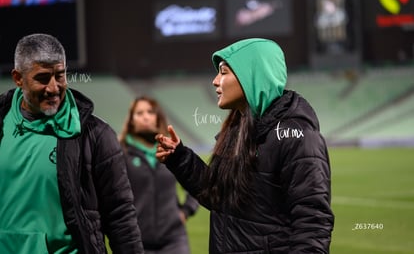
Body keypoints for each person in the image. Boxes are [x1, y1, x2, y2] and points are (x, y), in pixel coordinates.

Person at [155, 38, 335, 253]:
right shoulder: (236, 130)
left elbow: (313, 221)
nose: (214, 81)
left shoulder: (297, 136)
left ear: (252, 76)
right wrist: (180, 158)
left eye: (223, 72)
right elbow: (218, 197)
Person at [0, 33, 144, 254]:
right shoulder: (2, 121)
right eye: (42, 78)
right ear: (18, 78)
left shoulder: (95, 134)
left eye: (60, 75)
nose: (53, 87)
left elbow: (120, 216)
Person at [119, 96, 199, 254]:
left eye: (150, 111)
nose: (145, 116)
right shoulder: (121, 152)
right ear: (131, 120)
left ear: (158, 118)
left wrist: (186, 211)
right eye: (139, 113)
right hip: (136, 241)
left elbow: (195, 181)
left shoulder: (170, 149)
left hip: (174, 239)